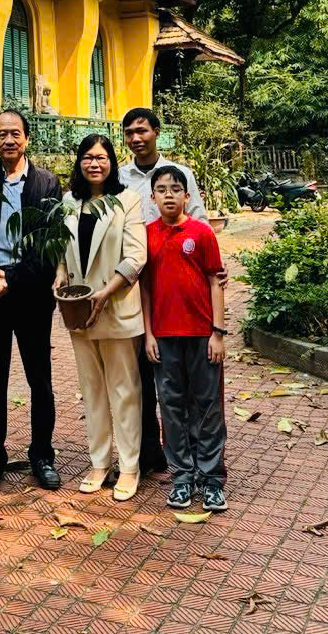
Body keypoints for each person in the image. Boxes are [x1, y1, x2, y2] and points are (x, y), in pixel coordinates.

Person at [0, 108, 63, 494]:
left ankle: (42, 455)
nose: (9, 140)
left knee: (39, 379)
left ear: (26, 139)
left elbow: (49, 248)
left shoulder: (46, 184)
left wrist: (15, 279)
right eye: (2, 134)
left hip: (31, 295)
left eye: (16, 133)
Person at [117, 106, 216, 473]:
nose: (135, 138)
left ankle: (194, 453)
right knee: (141, 373)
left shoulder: (179, 175)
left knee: (183, 378)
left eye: (142, 130)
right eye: (129, 132)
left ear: (157, 132)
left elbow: (201, 224)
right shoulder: (121, 178)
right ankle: (149, 451)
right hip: (132, 287)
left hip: (175, 288)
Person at [55, 134, 147, 501]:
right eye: (88, 158)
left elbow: (137, 255)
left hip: (116, 307)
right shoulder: (69, 202)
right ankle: (98, 462)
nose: (94, 164)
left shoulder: (128, 201)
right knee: (91, 390)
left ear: (112, 161)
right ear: (79, 163)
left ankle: (129, 467)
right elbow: (60, 250)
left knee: (124, 391)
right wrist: (60, 276)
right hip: (78, 309)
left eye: (102, 157)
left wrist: (105, 292)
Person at [142, 164, 228, 513]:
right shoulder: (147, 235)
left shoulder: (202, 233)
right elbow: (145, 289)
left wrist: (218, 333)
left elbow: (215, 281)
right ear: (152, 197)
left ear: (187, 196)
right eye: (161, 189)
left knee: (207, 408)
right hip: (163, 337)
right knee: (172, 408)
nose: (169, 195)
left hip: (201, 335)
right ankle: (181, 478)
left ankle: (211, 480)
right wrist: (148, 334)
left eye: (175, 189)